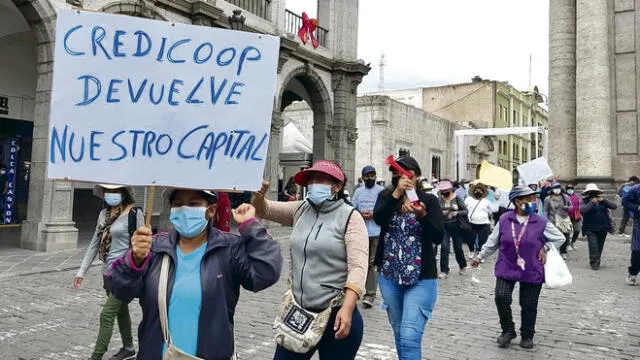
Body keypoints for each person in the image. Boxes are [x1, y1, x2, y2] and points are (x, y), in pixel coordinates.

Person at [110, 189, 282, 359]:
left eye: (193, 204)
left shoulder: (228, 249)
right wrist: (135, 260)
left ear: (211, 210)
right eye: (178, 204)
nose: (185, 209)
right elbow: (121, 290)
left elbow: (265, 273)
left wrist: (251, 226)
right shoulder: (154, 247)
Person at [251, 160, 369, 360]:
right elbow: (263, 210)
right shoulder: (300, 209)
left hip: (336, 314)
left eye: (321, 179)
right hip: (299, 312)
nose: (315, 183)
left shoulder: (350, 217)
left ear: (337, 186)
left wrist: (348, 308)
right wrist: (259, 196)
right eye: (312, 179)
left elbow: (358, 267)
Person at [471, 186, 565, 349]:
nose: (532, 202)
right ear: (517, 201)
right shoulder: (504, 219)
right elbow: (493, 242)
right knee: (501, 297)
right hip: (507, 265)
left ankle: (527, 334)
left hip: (532, 267)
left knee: (528, 304)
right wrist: (479, 257)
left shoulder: (541, 221)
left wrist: (546, 247)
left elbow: (559, 237)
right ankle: (507, 330)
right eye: (528, 199)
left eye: (533, 199)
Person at [373, 155, 444, 360]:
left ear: (417, 176)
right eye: (397, 175)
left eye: (408, 175)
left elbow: (438, 236)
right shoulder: (387, 197)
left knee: (410, 335)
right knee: (399, 332)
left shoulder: (429, 200)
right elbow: (379, 218)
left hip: (421, 277)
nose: (403, 178)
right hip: (390, 274)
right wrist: (396, 194)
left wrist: (422, 216)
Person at [74, 184, 143, 360]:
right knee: (121, 311)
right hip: (107, 273)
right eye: (107, 191)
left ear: (123, 193)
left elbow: (141, 246)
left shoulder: (134, 214)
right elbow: (94, 243)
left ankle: (96, 356)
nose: (110, 194)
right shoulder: (103, 215)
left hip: (125, 274)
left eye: (114, 191)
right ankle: (128, 348)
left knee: (107, 314)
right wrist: (81, 272)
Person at [351, 165, 385, 308]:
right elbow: (353, 208)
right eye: (367, 175)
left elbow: (385, 210)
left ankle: (370, 294)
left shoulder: (381, 192)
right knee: (360, 263)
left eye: (372, 175)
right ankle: (357, 290)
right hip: (361, 232)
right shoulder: (358, 192)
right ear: (363, 177)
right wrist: (360, 214)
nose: (370, 177)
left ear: (375, 176)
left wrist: (374, 215)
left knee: (372, 263)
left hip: (377, 232)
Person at [580, 183, 617, 270]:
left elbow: (614, 206)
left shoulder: (602, 201)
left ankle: (597, 261)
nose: (593, 194)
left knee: (600, 245)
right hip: (590, 228)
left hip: (603, 227)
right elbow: (583, 210)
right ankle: (594, 263)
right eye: (591, 192)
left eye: (595, 192)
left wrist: (604, 200)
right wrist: (591, 203)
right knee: (593, 246)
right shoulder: (584, 201)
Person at [436, 180, 468, 278]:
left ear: (450, 189)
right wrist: (441, 213)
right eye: (442, 190)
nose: (444, 192)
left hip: (456, 225)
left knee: (457, 247)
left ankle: (462, 266)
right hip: (444, 226)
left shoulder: (457, 198)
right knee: (444, 247)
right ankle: (444, 270)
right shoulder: (439, 199)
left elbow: (465, 211)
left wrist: (457, 213)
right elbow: (436, 210)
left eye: (445, 190)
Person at [464, 182, 498, 258]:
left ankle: (480, 254)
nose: (478, 192)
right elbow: (463, 209)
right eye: (476, 190)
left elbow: (495, 209)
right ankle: (472, 250)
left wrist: (496, 200)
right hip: (471, 223)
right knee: (470, 239)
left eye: (480, 191)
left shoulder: (486, 201)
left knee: (483, 241)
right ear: (473, 192)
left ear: (483, 192)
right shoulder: (468, 200)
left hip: (484, 224)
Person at [543, 182, 572, 259]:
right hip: (553, 220)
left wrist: (568, 207)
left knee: (565, 236)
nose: (557, 189)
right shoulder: (548, 199)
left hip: (564, 219)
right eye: (555, 188)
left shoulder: (565, 197)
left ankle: (563, 252)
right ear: (552, 189)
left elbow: (571, 206)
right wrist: (545, 220)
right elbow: (545, 210)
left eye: (558, 187)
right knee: (555, 236)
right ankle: (554, 251)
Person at [621, 183, 640, 285]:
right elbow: (625, 201)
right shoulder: (636, 189)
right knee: (637, 250)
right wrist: (637, 207)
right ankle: (633, 272)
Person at [565, 184, 583, 251]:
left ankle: (573, 242)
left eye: (571, 188)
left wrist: (580, 214)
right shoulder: (564, 196)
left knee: (577, 230)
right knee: (567, 231)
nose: (570, 189)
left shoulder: (576, 196)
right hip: (567, 215)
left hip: (576, 215)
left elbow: (579, 205)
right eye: (568, 188)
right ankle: (568, 244)